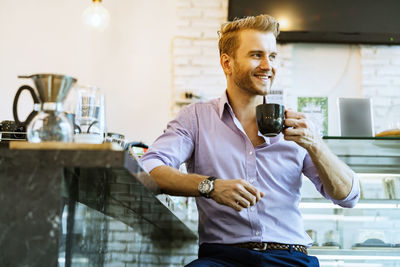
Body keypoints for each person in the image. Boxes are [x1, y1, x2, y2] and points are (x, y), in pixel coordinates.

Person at [140, 14, 360, 267]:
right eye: (256, 55)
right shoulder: (196, 118)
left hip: (289, 256)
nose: (268, 65)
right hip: (222, 258)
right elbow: (148, 168)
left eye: (273, 56)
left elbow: (348, 197)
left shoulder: (300, 126)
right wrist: (210, 187)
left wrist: (316, 145)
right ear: (227, 63)